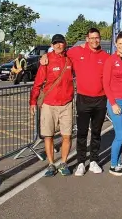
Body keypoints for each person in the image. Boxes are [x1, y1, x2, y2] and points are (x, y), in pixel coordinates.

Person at [40, 28, 109, 176]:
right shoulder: (76, 52)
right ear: (87, 39)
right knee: (82, 133)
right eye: (92, 38)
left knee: (96, 133)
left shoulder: (105, 56)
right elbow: (58, 52)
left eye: (97, 38)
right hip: (83, 98)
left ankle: (94, 161)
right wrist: (45, 55)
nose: (94, 40)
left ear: (99, 38)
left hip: (101, 99)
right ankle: (81, 162)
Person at [29, 34, 74, 177]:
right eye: (56, 43)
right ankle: (51, 164)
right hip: (49, 104)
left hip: (66, 103)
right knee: (48, 136)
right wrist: (33, 102)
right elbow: (37, 83)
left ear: (65, 43)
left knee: (67, 135)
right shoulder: (46, 61)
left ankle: (64, 163)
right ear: (52, 45)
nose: (59, 45)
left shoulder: (70, 59)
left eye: (61, 43)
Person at [103, 31, 122, 176]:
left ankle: (119, 163)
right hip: (116, 102)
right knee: (120, 134)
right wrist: (113, 103)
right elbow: (106, 84)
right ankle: (113, 165)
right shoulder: (110, 60)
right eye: (120, 43)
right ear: (116, 44)